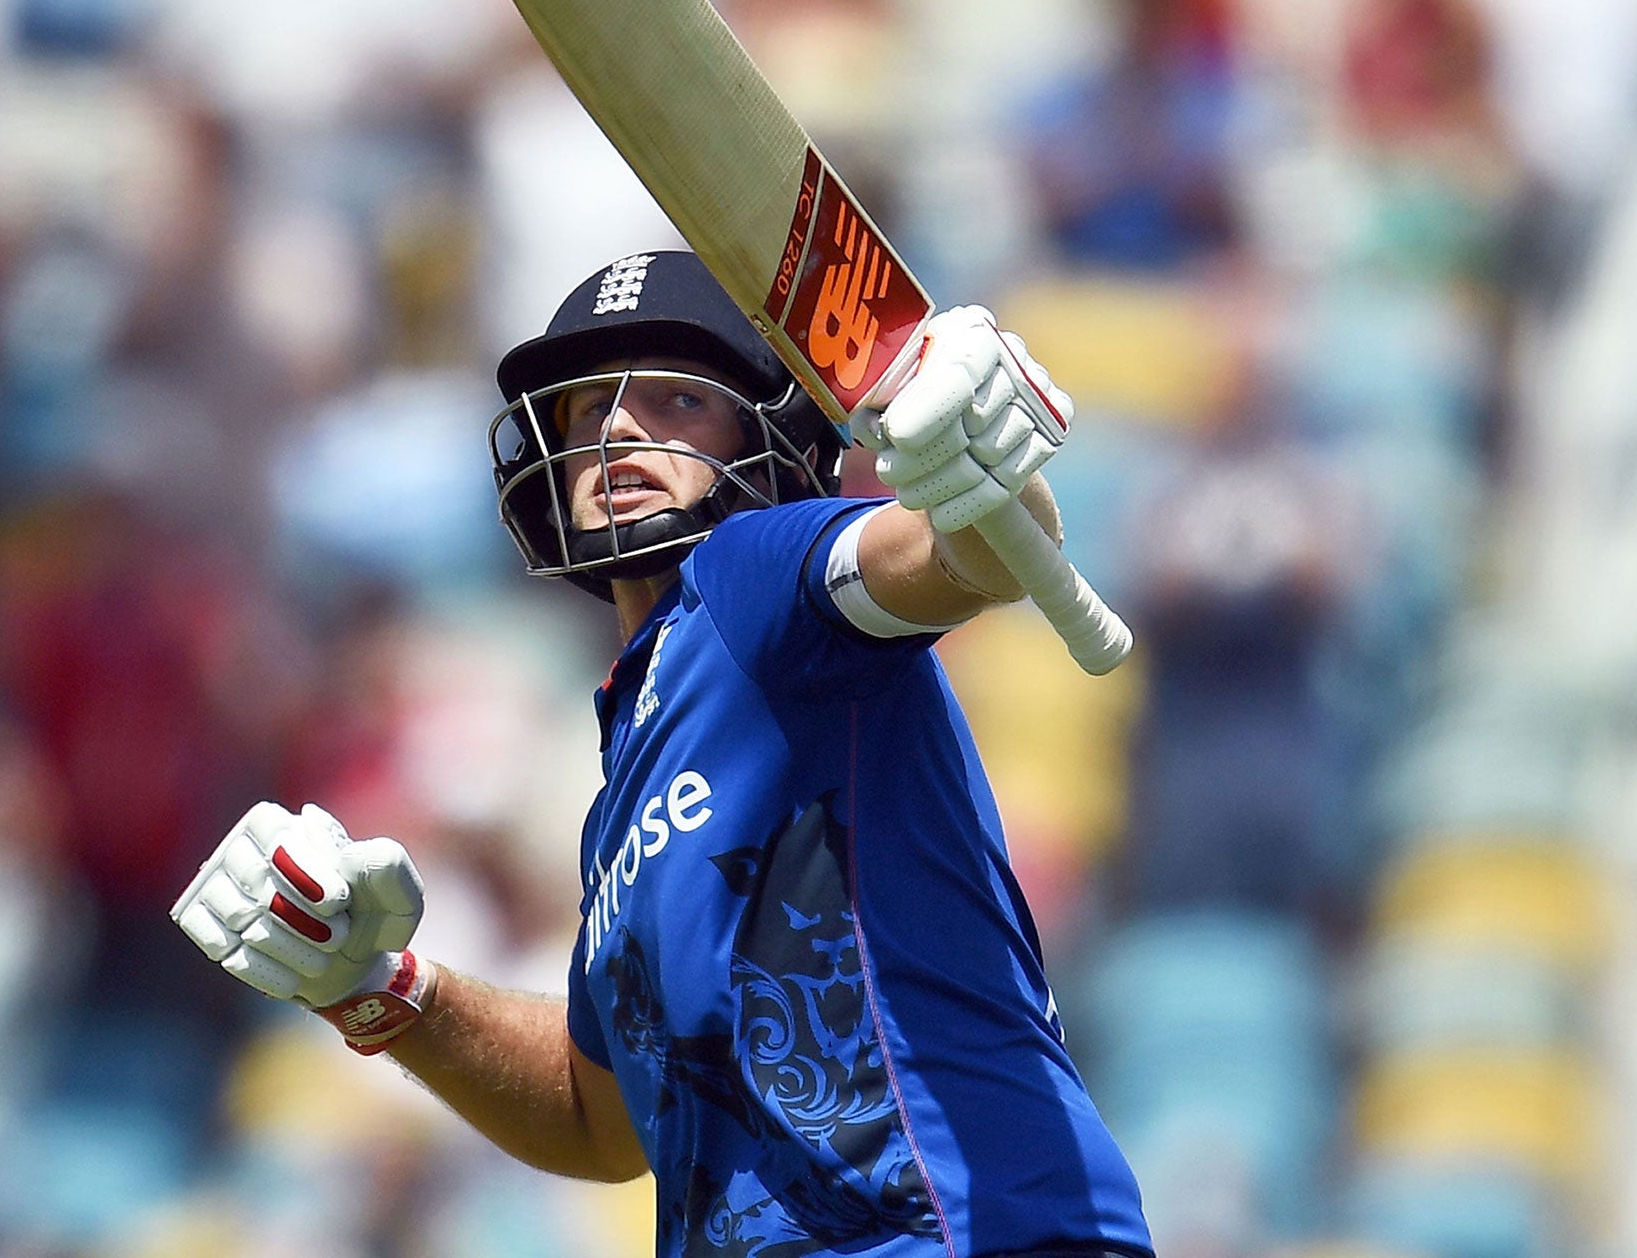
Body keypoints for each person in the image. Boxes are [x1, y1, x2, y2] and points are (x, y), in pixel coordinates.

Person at [173, 252, 1155, 1258]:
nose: (619, 430)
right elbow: (599, 1119)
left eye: (678, 399)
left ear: (769, 434)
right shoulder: (619, 792)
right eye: (587, 405)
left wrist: (977, 457)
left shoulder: (754, 579)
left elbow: (968, 556)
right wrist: (376, 989)